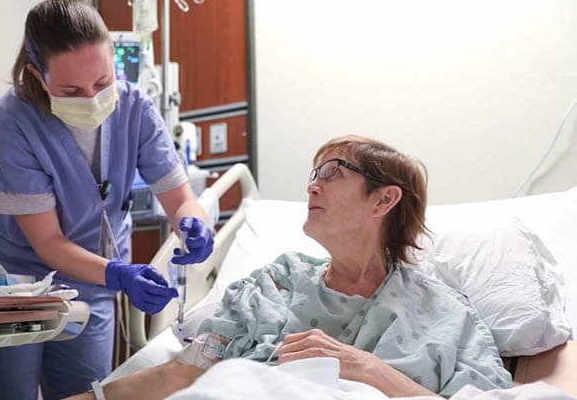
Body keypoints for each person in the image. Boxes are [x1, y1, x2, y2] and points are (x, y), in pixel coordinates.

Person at [64, 135, 513, 400]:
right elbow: (183, 372)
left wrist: (372, 371)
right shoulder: (275, 284)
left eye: (332, 171)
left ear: (384, 199)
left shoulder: (444, 313)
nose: (312, 186)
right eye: (313, 173)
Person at [0, 0, 214, 400]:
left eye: (103, 82)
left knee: (85, 392)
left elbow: (181, 200)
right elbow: (48, 243)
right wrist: (120, 274)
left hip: (92, 286)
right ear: (38, 75)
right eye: (72, 89)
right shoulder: (12, 122)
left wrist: (193, 222)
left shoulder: (135, 110)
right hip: (19, 289)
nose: (92, 98)